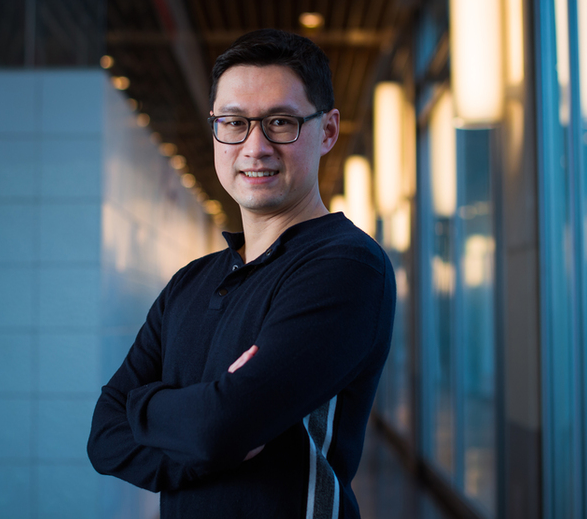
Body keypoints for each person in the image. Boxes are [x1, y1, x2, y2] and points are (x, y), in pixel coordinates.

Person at [87, 28, 396, 519]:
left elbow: (219, 427)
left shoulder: (347, 267)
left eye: (280, 122)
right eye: (233, 123)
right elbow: (103, 437)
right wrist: (206, 432)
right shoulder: (190, 281)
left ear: (328, 131)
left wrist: (145, 407)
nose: (255, 147)